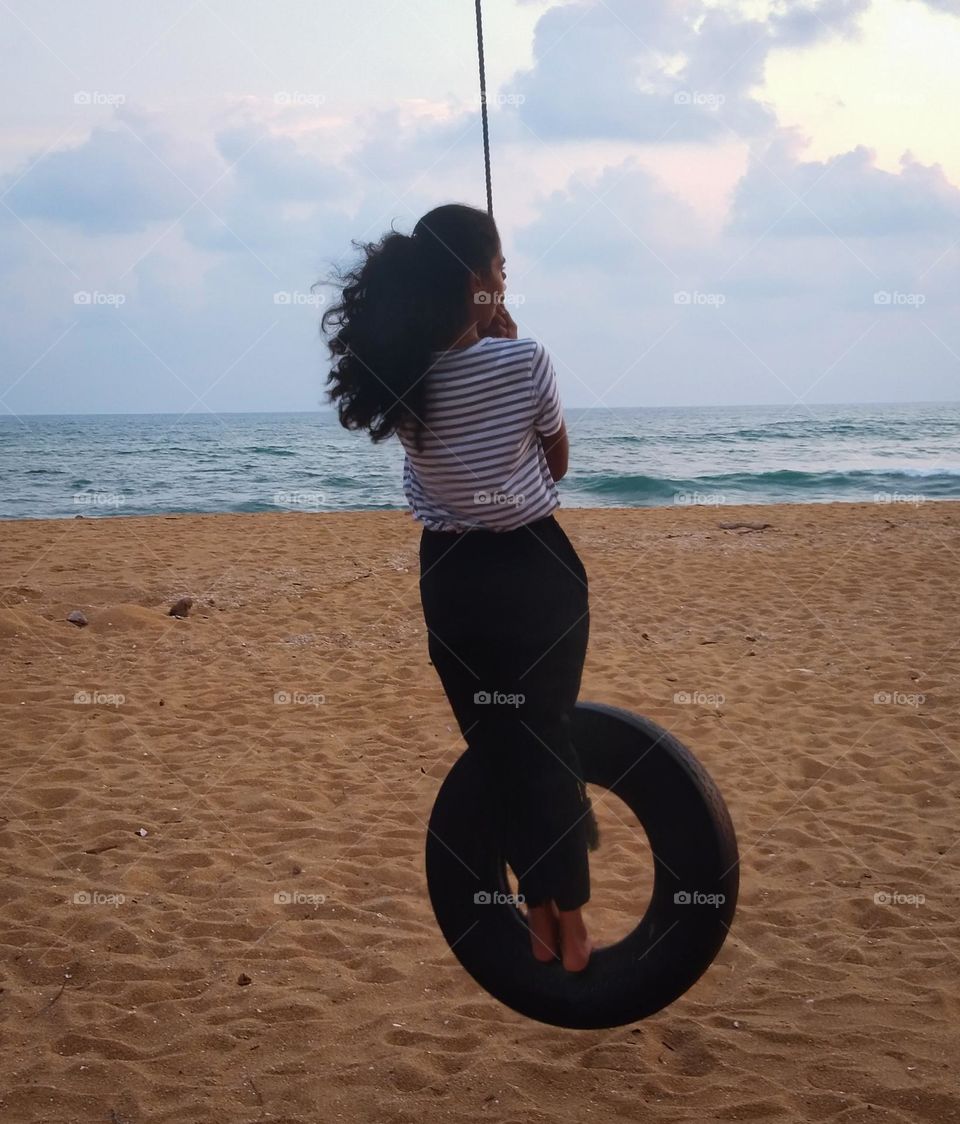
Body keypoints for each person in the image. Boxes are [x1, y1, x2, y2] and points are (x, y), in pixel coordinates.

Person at [321, 202, 600, 972]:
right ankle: (567, 917)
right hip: (534, 570)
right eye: (502, 270)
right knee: (542, 735)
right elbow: (558, 464)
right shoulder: (527, 358)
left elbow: (452, 438)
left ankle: (539, 906)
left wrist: (482, 333)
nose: (507, 282)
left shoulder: (401, 378)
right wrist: (506, 343)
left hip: (451, 581)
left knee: (499, 743)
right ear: (478, 284)